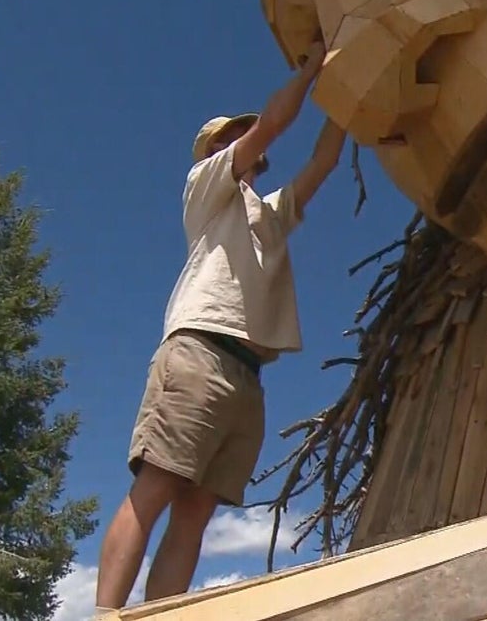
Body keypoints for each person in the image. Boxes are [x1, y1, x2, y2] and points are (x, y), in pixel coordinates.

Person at [95, 40, 344, 611]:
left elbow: (323, 163)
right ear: (213, 149)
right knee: (155, 488)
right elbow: (278, 121)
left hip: (248, 374)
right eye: (231, 135)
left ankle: (161, 614)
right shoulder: (207, 187)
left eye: (243, 135)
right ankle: (107, 614)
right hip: (200, 352)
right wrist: (314, 68)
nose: (243, 140)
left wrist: (349, 100)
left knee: (196, 511)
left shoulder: (269, 214)